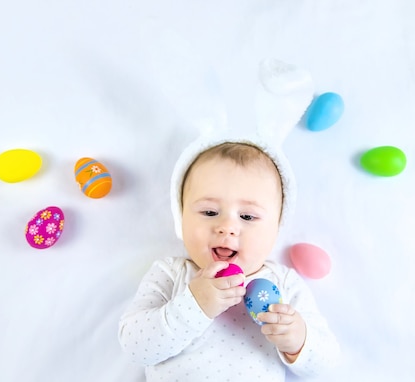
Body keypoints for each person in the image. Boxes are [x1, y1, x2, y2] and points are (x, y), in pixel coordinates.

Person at [118, 135, 340, 381]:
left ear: (277, 227)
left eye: (247, 217)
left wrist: (298, 341)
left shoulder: (284, 282)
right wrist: (194, 306)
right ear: (181, 218)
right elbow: (134, 347)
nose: (227, 227)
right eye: (209, 212)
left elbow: (327, 366)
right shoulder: (171, 274)